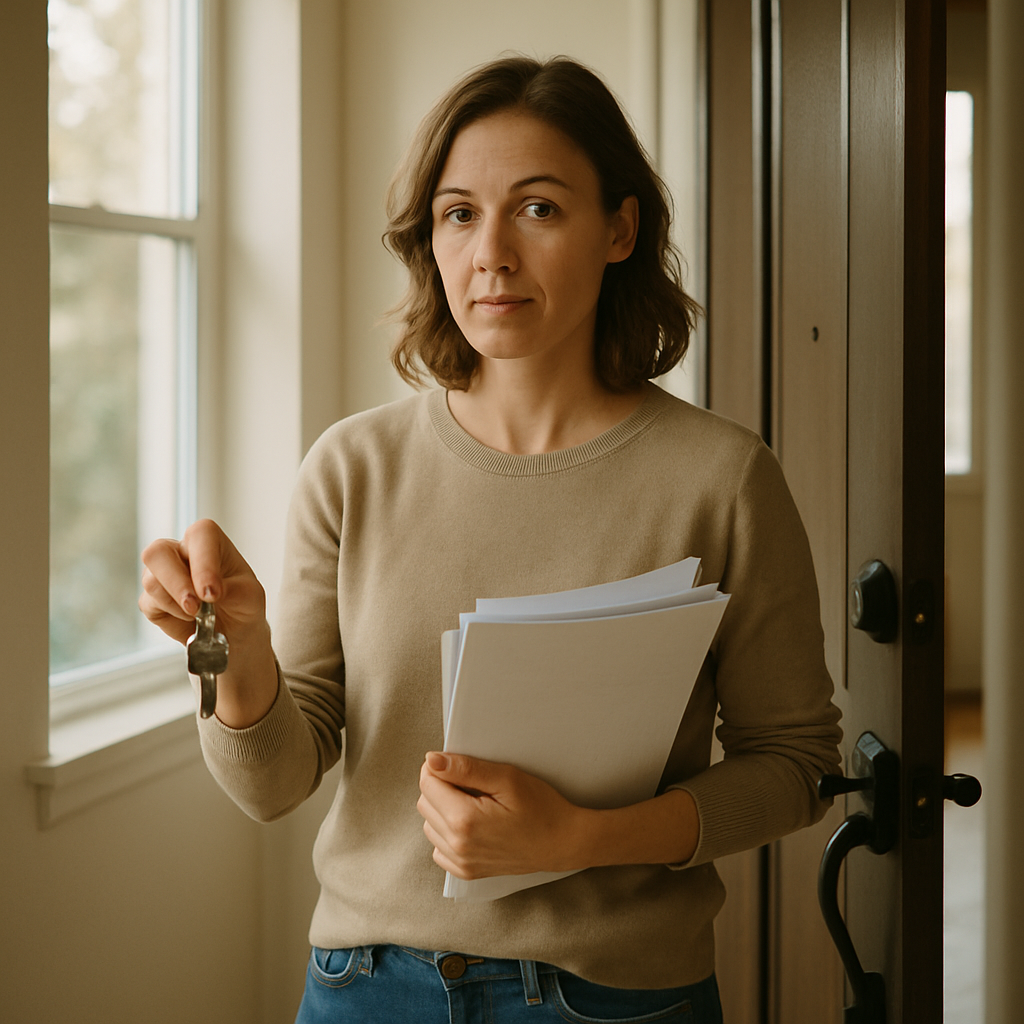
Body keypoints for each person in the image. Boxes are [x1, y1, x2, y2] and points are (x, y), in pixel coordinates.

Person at [140, 55, 841, 1024]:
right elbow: (274, 783)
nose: (491, 253)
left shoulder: (720, 475)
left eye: (539, 208)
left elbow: (794, 762)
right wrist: (242, 656)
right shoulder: (353, 463)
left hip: (615, 995)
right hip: (362, 986)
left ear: (620, 229)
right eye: (459, 212)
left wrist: (582, 838)